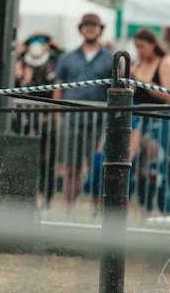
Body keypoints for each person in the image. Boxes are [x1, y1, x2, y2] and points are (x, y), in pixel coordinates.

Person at [52, 13, 115, 209]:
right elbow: (58, 86)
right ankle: (68, 208)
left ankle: (95, 209)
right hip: (71, 120)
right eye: (86, 25)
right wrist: (57, 112)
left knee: (96, 167)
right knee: (70, 167)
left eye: (94, 25)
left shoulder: (110, 58)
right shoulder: (67, 57)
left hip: (99, 121)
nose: (90, 28)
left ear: (100, 28)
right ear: (81, 29)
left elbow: (118, 88)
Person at [129, 28, 170, 213]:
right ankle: (145, 208)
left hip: (160, 120)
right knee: (137, 164)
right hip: (138, 120)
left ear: (153, 44)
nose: (139, 51)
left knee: (156, 165)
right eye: (136, 47)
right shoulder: (138, 62)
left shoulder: (166, 62)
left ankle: (166, 208)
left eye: (142, 47)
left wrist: (143, 81)